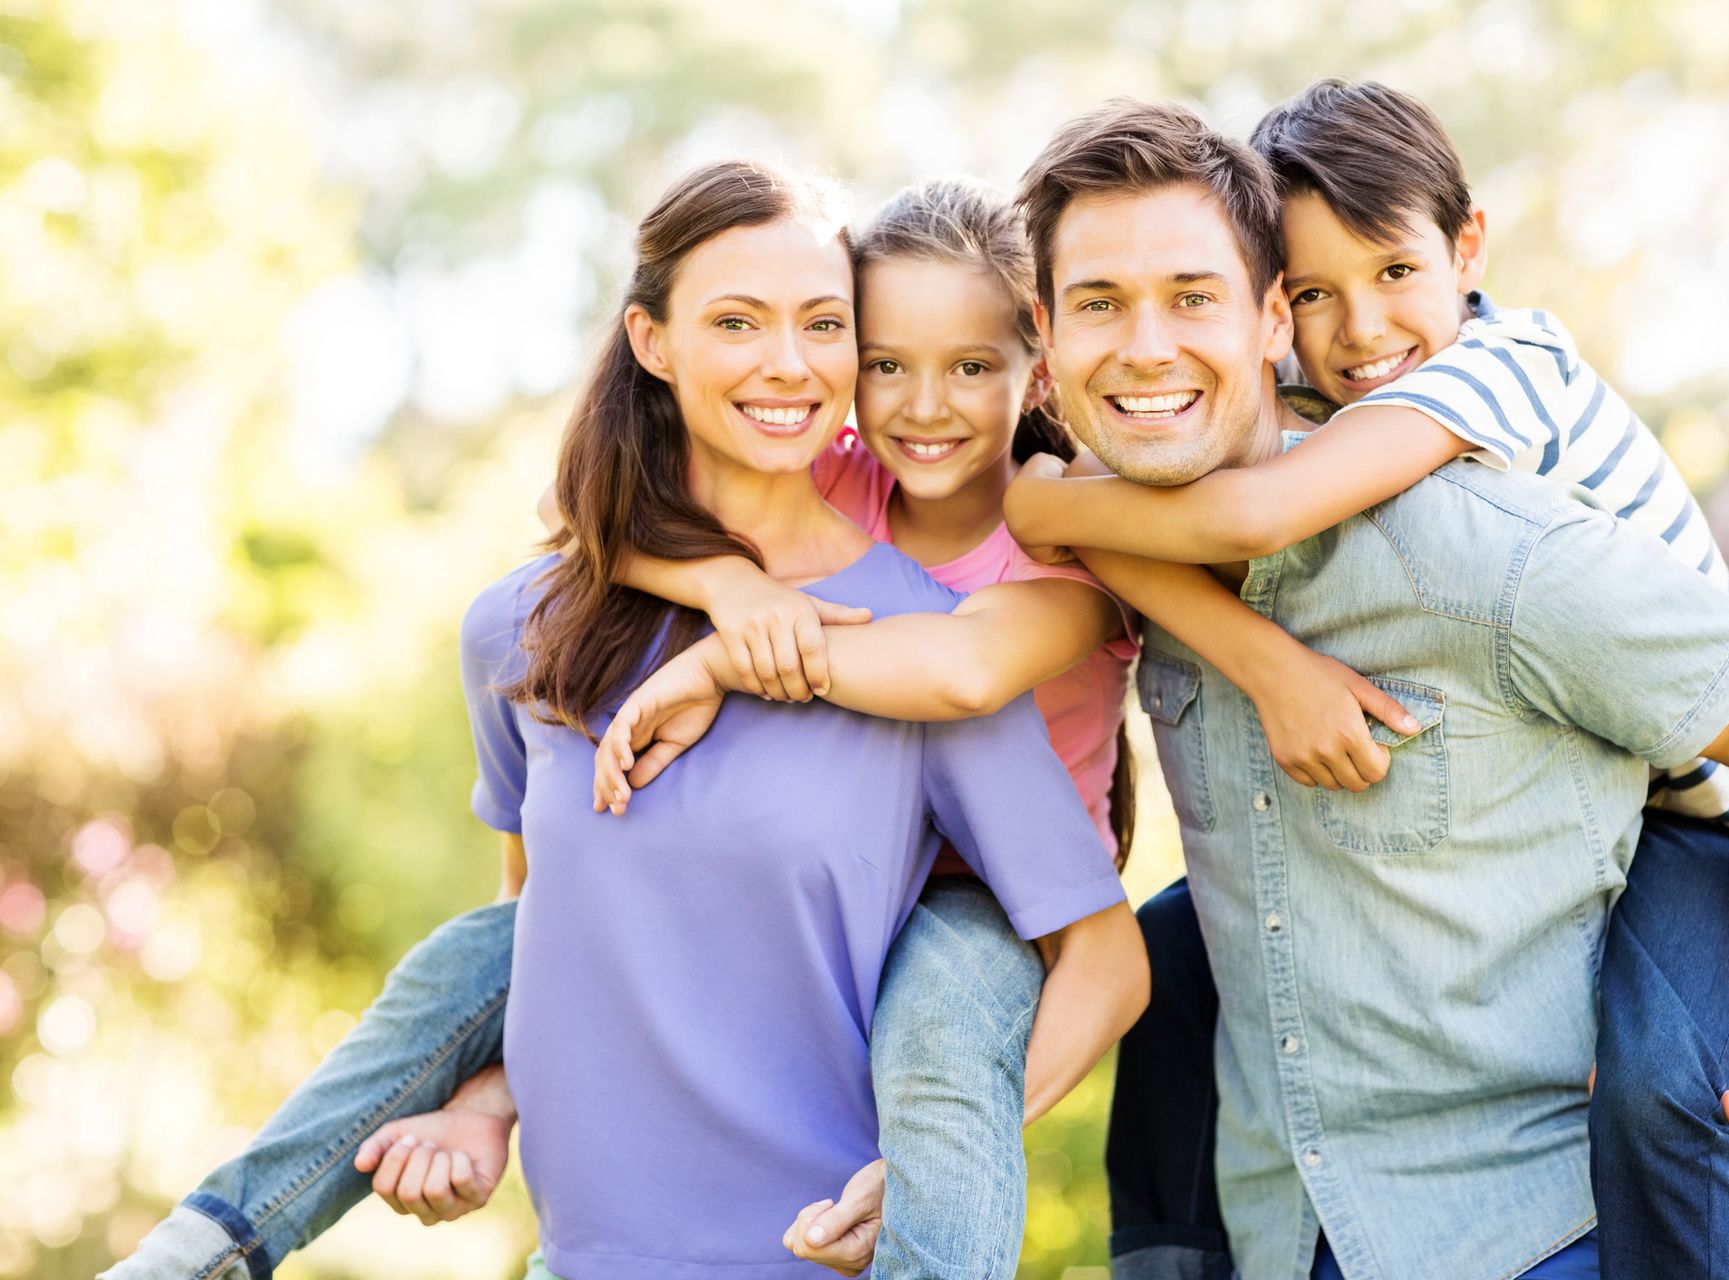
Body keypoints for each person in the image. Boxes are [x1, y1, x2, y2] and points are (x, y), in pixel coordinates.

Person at [102, 161, 1149, 1280]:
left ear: (1029, 371)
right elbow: (542, 928)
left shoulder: (974, 606)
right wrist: (485, 1104)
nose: (793, 363)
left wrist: (948, 1157)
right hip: (582, 1257)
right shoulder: (522, 627)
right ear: (650, 339)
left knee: (946, 1034)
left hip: (859, 1149)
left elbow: (970, 687)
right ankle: (209, 1245)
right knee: (470, 957)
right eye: (739, 321)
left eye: (822, 326)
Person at [1000, 97, 1729, 1280]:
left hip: (1547, 1167)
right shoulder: (1147, 523)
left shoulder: (1486, 507)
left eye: (1192, 295)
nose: (1147, 344)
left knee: (1670, 1078)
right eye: (1100, 302)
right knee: (1170, 956)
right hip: (1283, 1226)